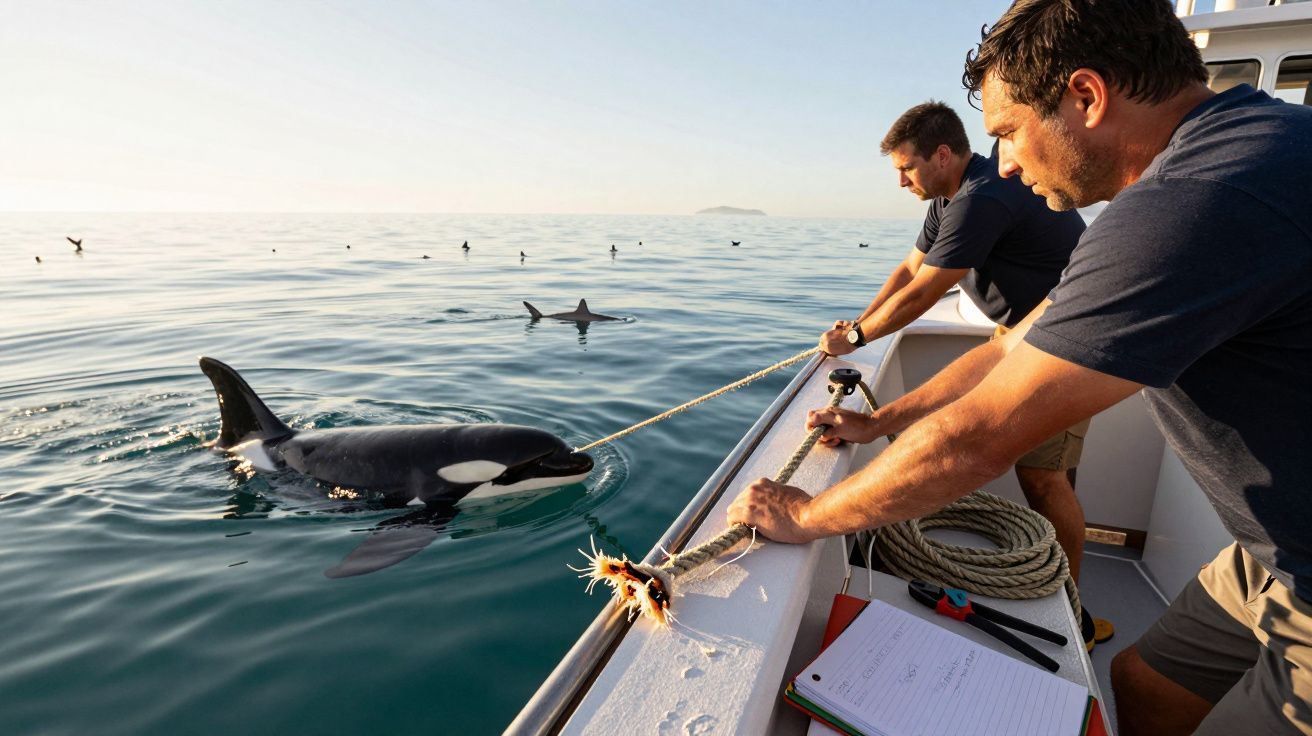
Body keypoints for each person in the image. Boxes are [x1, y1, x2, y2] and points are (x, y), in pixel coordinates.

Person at [728, 1, 1312, 733]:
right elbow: (1005, 348)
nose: (1002, 162)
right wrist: (877, 421)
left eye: (1008, 133)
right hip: (1275, 555)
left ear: (1087, 97)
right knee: (1143, 682)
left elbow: (977, 441)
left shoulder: (1193, 201)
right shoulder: (1234, 151)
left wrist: (808, 514)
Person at [820, 101, 1093, 591]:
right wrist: (856, 326)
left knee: (1045, 478)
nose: (901, 181)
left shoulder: (981, 198)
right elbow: (908, 269)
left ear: (942, 155)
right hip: (1019, 333)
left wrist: (859, 339)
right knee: (1042, 471)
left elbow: (925, 292)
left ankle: (1075, 603)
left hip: (1067, 337)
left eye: (906, 167)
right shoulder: (949, 198)